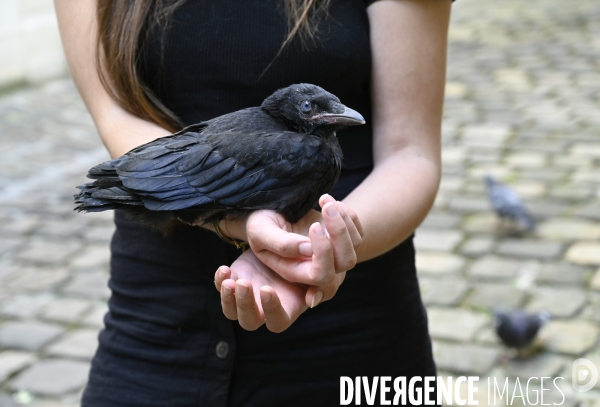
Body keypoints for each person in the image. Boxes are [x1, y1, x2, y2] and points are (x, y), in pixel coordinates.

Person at [54, 0, 451, 405]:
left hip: (357, 332)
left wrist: (319, 244)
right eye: (315, 109)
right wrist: (238, 224)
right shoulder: (298, 149)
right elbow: (116, 113)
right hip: (154, 325)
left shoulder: (309, 148)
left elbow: (411, 153)